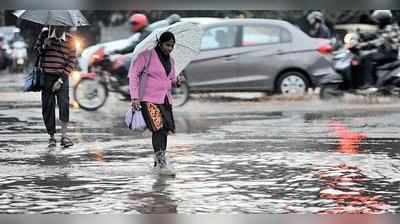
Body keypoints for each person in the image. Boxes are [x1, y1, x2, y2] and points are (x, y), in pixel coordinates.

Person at [128, 31, 184, 175]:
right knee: (157, 128)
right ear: (160, 43)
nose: (170, 48)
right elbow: (133, 75)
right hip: (148, 99)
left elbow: (170, 80)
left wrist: (177, 82)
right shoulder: (146, 56)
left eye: (172, 46)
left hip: (165, 100)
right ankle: (161, 163)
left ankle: (158, 163)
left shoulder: (171, 61)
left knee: (164, 131)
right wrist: (135, 97)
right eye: (167, 45)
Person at [34, 26, 77, 147]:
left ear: (65, 27)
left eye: (62, 27)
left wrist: (61, 80)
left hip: (62, 77)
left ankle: (64, 136)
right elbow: (36, 52)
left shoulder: (70, 39)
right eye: (57, 26)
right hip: (46, 76)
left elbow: (72, 61)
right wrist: (44, 45)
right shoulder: (44, 35)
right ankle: (52, 137)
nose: (59, 29)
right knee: (47, 107)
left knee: (64, 104)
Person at [354, 10, 400, 92]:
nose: (376, 23)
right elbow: (374, 34)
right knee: (361, 56)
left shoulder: (391, 28)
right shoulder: (385, 27)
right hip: (383, 52)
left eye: (377, 20)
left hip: (390, 53)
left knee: (367, 57)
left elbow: (380, 40)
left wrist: (363, 45)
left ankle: (369, 84)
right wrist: (361, 35)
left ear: (383, 20)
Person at [113, 14, 181, 55]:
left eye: (134, 24)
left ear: (139, 23)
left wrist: (119, 51)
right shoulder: (149, 30)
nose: (132, 26)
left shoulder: (147, 32)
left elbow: (136, 46)